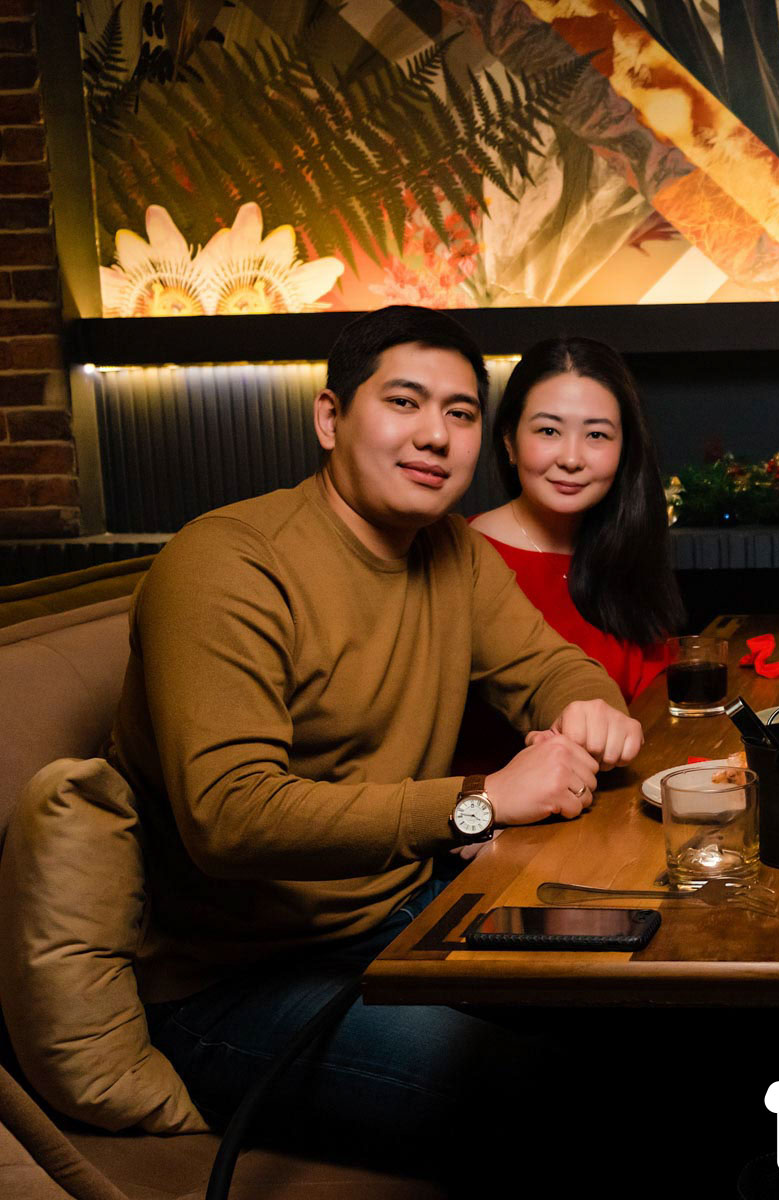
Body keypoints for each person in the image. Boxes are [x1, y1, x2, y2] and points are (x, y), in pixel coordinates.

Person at [114, 306, 644, 1188]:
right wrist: (481, 801)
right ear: (330, 418)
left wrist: (590, 706)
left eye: (460, 413)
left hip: (407, 918)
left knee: (646, 991)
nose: (435, 434)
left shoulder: (452, 553)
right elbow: (230, 818)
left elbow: (551, 667)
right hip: (236, 983)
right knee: (552, 1093)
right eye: (404, 402)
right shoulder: (227, 564)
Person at [468, 336, 683, 702]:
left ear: (624, 450)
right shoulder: (465, 556)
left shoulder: (624, 549)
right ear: (509, 441)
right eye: (549, 431)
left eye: (596, 434)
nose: (571, 459)